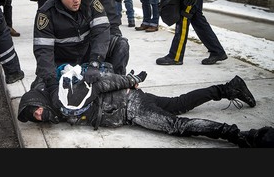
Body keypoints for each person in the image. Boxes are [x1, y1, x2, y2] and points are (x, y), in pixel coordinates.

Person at [18, 63, 274, 148]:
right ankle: (228, 88)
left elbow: (102, 83)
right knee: (179, 104)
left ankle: (244, 136)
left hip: (130, 106)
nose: (38, 116)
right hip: (128, 102)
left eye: (35, 110)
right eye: (34, 117)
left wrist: (132, 79)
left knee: (176, 126)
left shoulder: (64, 97)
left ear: (38, 101)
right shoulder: (55, 102)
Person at [31, 0, 129, 90]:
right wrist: (51, 81)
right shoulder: (46, 14)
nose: (76, 0)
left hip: (88, 56)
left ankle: (117, 84)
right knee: (40, 89)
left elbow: (102, 34)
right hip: (62, 63)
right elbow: (43, 52)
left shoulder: (91, 4)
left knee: (121, 44)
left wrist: (95, 62)